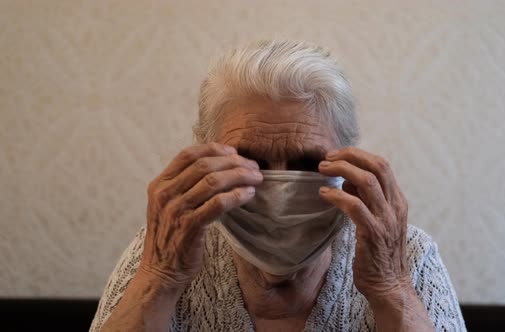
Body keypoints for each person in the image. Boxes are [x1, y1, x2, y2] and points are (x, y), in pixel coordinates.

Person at [90, 39, 466, 332]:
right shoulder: (165, 247)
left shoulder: (408, 254)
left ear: (348, 157)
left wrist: (390, 286)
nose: (280, 192)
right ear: (205, 155)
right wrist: (161, 278)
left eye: (306, 162)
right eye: (249, 162)